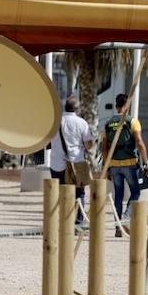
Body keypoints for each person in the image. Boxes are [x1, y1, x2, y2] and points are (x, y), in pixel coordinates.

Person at [103, 91, 148, 236]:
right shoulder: (132, 121)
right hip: (130, 163)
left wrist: (107, 167)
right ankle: (125, 217)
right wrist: (147, 163)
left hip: (114, 165)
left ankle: (118, 227)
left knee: (118, 195)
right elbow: (140, 143)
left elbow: (104, 147)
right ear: (127, 107)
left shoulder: (108, 123)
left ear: (117, 106)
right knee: (135, 192)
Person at [49, 95, 94, 226]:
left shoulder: (55, 122)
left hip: (57, 164)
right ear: (77, 108)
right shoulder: (81, 123)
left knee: (59, 193)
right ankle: (78, 222)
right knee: (79, 193)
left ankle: (63, 221)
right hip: (76, 163)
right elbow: (88, 145)